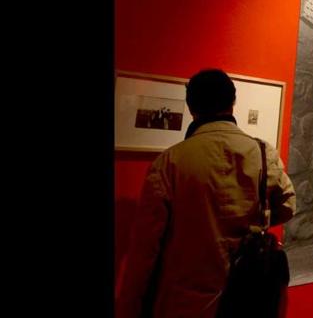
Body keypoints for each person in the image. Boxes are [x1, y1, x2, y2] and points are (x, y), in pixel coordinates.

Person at [116, 69, 296, 318]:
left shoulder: (169, 163)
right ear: (233, 103)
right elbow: (287, 206)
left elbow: (144, 252)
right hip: (248, 297)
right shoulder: (263, 153)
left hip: (186, 301)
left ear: (192, 108)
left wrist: (128, 308)